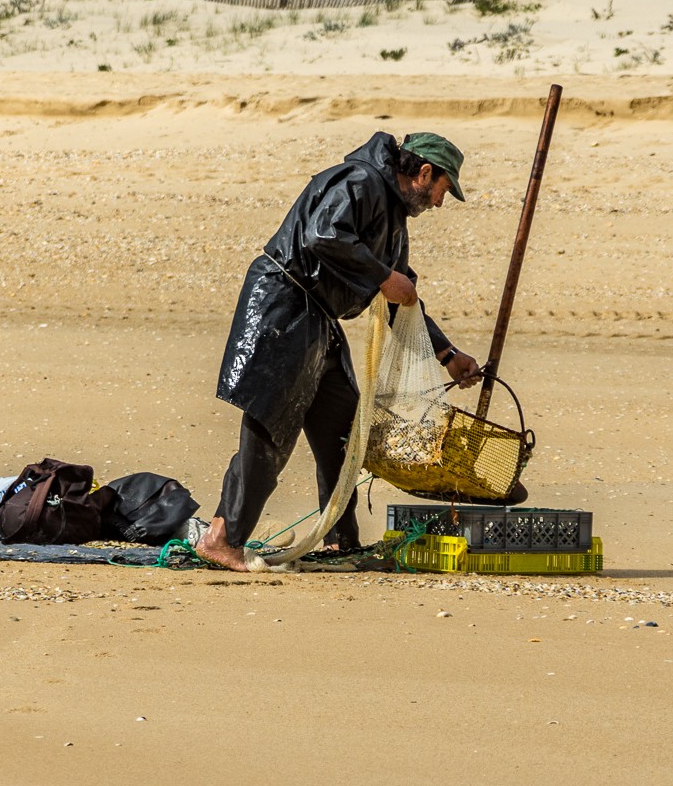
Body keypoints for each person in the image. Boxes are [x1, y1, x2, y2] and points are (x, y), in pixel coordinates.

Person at [194, 131, 481, 571]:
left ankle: (339, 540)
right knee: (272, 423)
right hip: (282, 306)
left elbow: (398, 302)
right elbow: (323, 235)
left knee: (344, 427)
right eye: (443, 191)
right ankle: (223, 538)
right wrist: (385, 276)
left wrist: (449, 354)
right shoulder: (361, 181)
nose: (440, 203)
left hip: (317, 319)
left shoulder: (395, 223)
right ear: (424, 173)